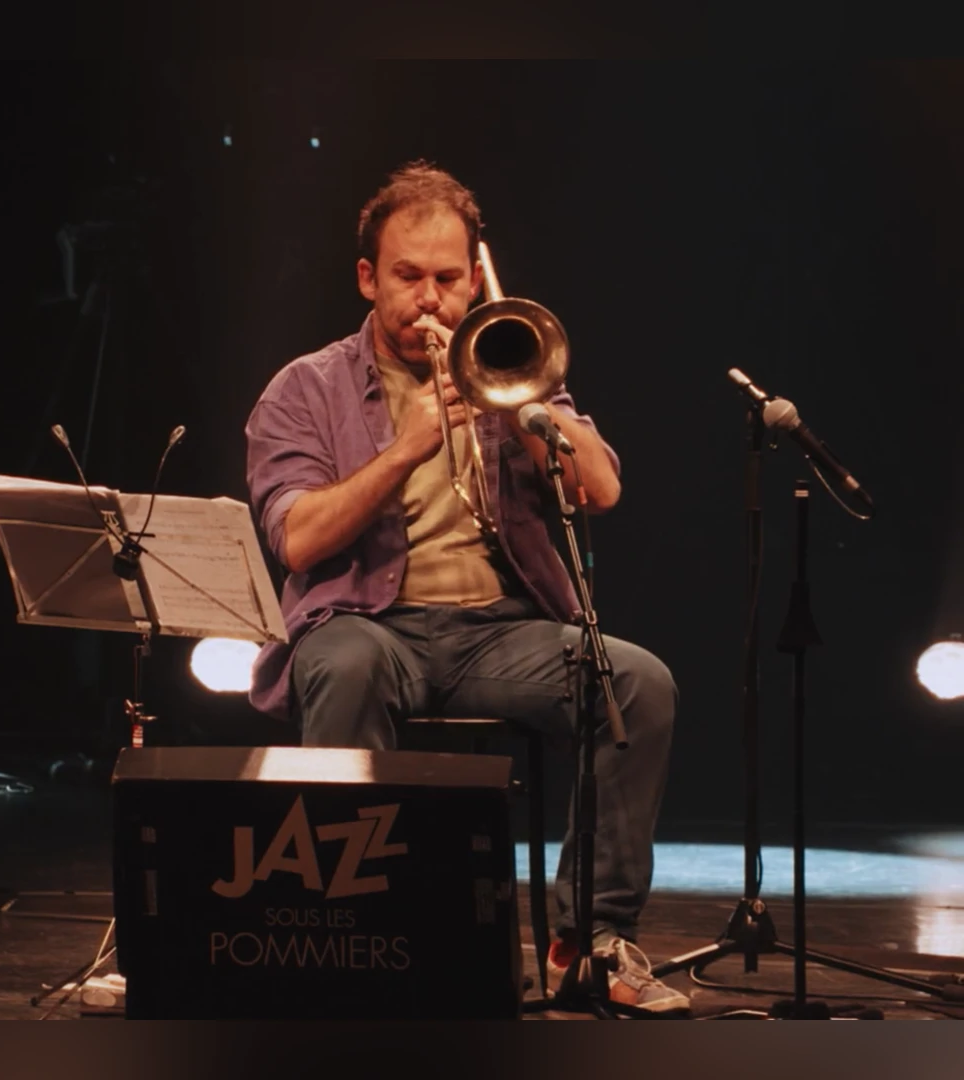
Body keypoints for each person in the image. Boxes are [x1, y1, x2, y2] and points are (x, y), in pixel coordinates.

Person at [242, 161, 686, 1014]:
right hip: (367, 624)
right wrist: (406, 447)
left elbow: (601, 490)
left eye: (448, 279)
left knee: (639, 682)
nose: (429, 300)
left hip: (499, 632)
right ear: (368, 278)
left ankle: (591, 941)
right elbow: (296, 537)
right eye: (408, 276)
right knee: (344, 668)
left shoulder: (509, 365)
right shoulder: (305, 388)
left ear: (474, 279)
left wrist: (523, 405)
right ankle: (348, 935)